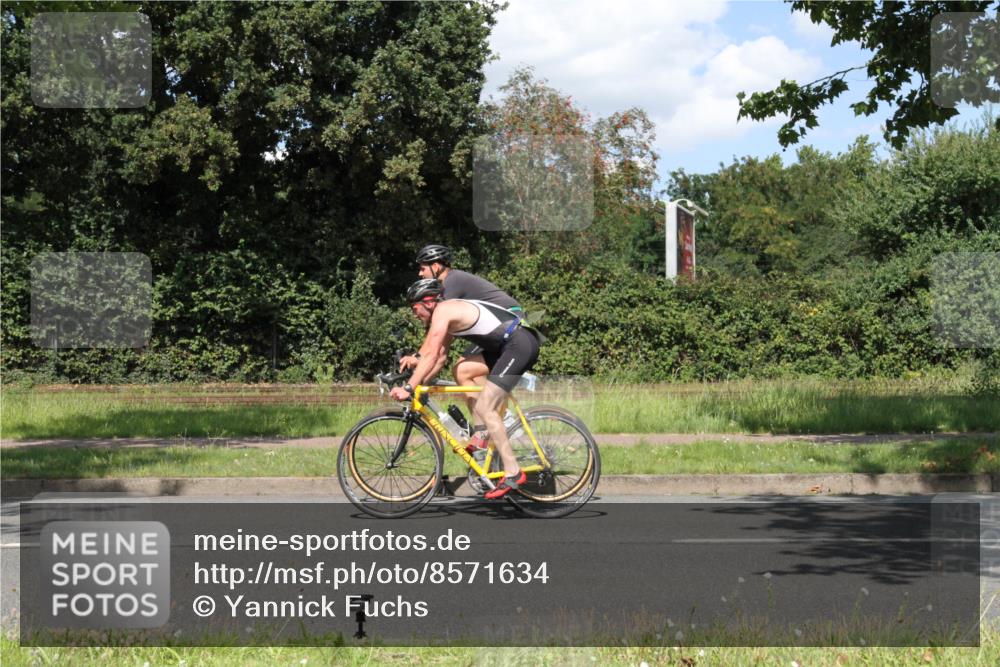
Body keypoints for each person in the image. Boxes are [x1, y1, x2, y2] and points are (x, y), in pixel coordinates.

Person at [390, 278, 540, 499]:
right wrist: (420, 384)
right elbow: (439, 358)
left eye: (415, 308)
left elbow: (430, 355)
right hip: (505, 346)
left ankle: (513, 472)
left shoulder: (444, 311)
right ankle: (481, 433)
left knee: (487, 408)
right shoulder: (446, 315)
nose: (415, 314)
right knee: (462, 370)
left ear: (428, 302)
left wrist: (409, 387)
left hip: (519, 344)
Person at [406, 244, 522, 452]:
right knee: (463, 370)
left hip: (507, 325)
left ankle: (493, 422)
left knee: (462, 369)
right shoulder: (447, 287)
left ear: (436, 266)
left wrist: (419, 358)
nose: (420, 273)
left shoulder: (451, 283)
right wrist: (422, 375)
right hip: (495, 329)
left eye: (423, 268)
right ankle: (488, 428)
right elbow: (442, 345)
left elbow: (438, 338)